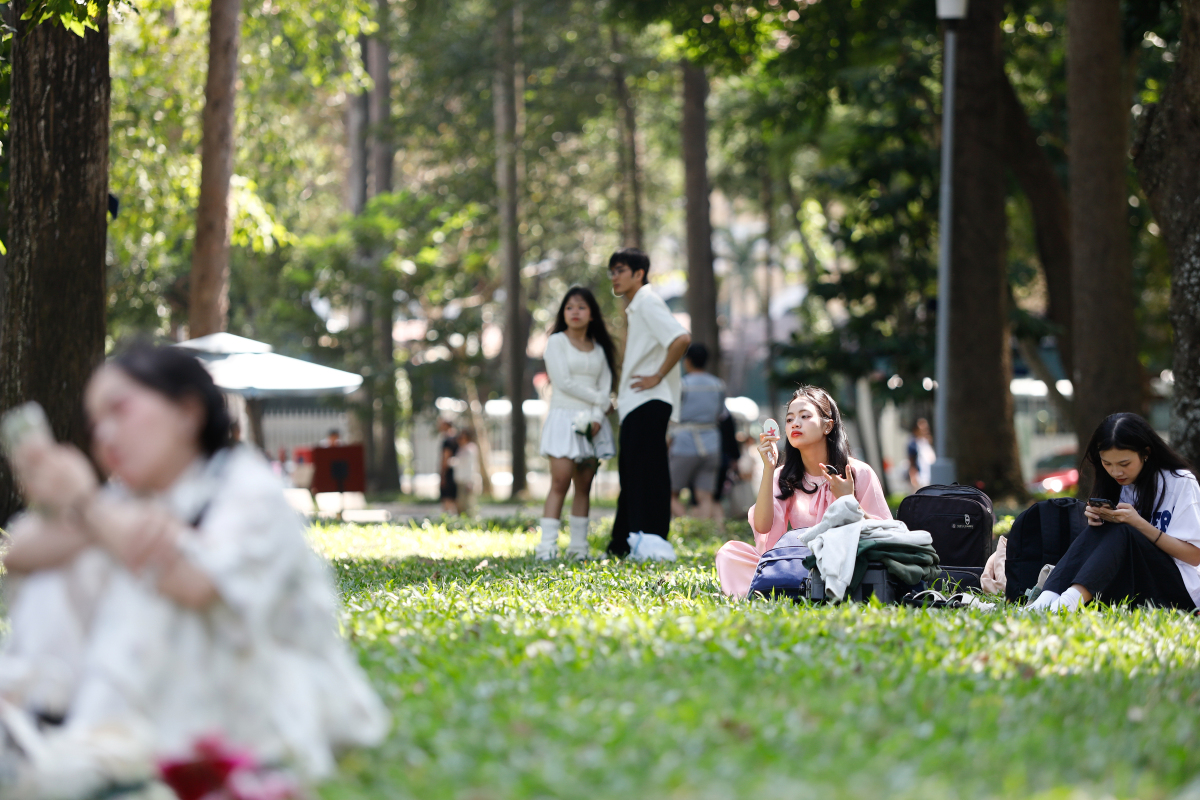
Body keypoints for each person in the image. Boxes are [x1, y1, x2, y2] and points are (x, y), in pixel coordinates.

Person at [0, 344, 388, 798]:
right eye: (95, 423)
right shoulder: (128, 502)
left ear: (187, 411)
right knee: (67, 561)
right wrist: (81, 510)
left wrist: (88, 505)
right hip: (148, 698)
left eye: (119, 410)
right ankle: (49, 713)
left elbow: (196, 585)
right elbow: (20, 553)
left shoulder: (245, 487)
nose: (104, 435)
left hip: (252, 699)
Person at [715, 385, 891, 598]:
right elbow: (763, 526)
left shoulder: (856, 472)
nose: (795, 423)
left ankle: (785, 589)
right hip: (800, 563)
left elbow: (884, 535)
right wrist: (769, 470)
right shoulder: (783, 476)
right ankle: (798, 588)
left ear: (828, 426)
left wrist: (847, 500)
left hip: (845, 561)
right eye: (789, 419)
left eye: (805, 416)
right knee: (729, 553)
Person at [1029, 412, 1200, 612]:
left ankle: (1066, 604)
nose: (1116, 472)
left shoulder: (1179, 481)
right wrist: (1098, 521)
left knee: (1124, 531)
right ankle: (1042, 603)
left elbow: (1195, 556)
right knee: (1098, 531)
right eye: (1107, 463)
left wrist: (1138, 524)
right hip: (1133, 583)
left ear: (1146, 452)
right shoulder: (1116, 483)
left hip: (1180, 591)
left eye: (1124, 464)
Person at [605, 248, 691, 558]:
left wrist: (656, 376)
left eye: (619, 270)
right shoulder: (637, 306)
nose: (614, 277)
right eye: (611, 272)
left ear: (639, 274)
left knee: (645, 474)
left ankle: (648, 540)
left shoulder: (648, 301)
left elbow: (681, 338)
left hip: (648, 401)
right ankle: (623, 544)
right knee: (633, 474)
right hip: (637, 402)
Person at [535, 287, 617, 560]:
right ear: (563, 313)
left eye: (581, 307)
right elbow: (563, 382)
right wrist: (602, 401)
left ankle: (578, 548)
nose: (575, 312)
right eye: (569, 308)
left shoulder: (599, 348)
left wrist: (596, 415)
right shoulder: (556, 341)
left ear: (591, 313)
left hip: (594, 423)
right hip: (563, 418)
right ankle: (547, 547)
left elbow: (606, 383)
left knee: (584, 486)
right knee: (560, 482)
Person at [669, 343, 726, 524]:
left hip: (684, 443)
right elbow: (721, 414)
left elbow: (673, 416)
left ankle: (688, 523)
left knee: (670, 492)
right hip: (711, 443)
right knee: (705, 494)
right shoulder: (718, 385)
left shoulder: (682, 385)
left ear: (688, 361)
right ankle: (702, 530)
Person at [455, 427, 481, 518]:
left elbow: (472, 467)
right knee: (461, 504)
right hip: (461, 480)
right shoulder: (462, 449)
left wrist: (470, 481)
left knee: (469, 504)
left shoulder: (470, 449)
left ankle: (471, 521)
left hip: (467, 481)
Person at [906, 418, 935, 490]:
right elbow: (911, 460)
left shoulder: (926, 442)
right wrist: (912, 476)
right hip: (919, 477)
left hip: (929, 476)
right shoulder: (913, 443)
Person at [438, 418, 458, 513]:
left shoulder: (448, 440)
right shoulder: (457, 438)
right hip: (457, 471)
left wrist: (443, 474)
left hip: (449, 472)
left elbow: (446, 458)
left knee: (448, 499)